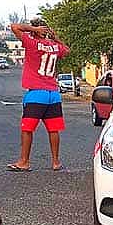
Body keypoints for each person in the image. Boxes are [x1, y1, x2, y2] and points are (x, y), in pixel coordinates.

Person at [7, 18, 70, 172]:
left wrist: (33, 30)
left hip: (36, 93)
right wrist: (54, 37)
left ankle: (24, 161)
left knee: (27, 129)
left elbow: (14, 27)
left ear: (35, 30)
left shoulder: (32, 43)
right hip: (53, 94)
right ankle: (56, 162)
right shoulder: (54, 46)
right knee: (53, 130)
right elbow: (66, 50)